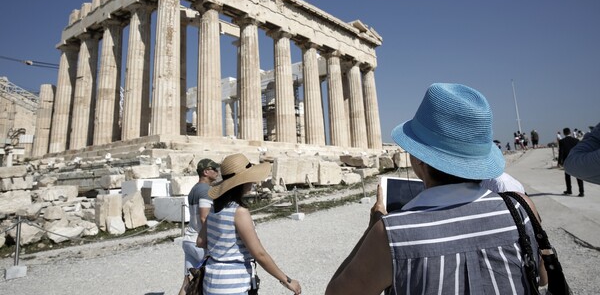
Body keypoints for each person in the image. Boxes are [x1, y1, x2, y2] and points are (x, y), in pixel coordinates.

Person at [325, 83, 547, 295]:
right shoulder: (521, 208)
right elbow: (542, 279)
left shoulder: (392, 234)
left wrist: (371, 229)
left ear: (420, 159)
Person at [196, 153, 302, 295]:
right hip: (234, 285)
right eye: (250, 178)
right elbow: (259, 254)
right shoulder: (239, 212)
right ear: (241, 182)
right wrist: (287, 280)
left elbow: (200, 241)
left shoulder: (215, 208)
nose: (253, 181)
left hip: (211, 281)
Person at [179, 158, 220, 295]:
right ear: (206, 172)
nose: (217, 172)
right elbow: (204, 218)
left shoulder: (194, 189)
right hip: (200, 242)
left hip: (189, 239)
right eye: (214, 169)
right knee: (212, 281)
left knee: (188, 282)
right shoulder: (205, 190)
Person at [558, 127, 584, 196]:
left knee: (567, 176)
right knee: (578, 176)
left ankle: (569, 190)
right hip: (576, 160)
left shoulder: (562, 141)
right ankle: (581, 192)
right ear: (570, 132)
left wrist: (559, 162)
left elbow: (561, 152)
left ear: (564, 133)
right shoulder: (576, 140)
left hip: (567, 160)